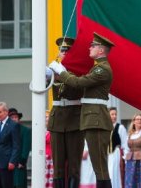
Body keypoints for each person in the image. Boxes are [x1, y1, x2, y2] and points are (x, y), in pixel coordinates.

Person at [49, 32, 115, 188]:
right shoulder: (97, 68)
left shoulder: (101, 69)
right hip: (90, 119)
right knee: (97, 165)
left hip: (96, 119)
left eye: (93, 45)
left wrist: (61, 72)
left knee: (99, 166)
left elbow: (78, 84)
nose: (90, 48)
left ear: (100, 50)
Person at [47, 37, 84, 188]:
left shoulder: (79, 69)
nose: (63, 53)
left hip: (74, 120)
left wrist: (62, 72)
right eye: (62, 50)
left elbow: (78, 87)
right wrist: (43, 75)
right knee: (58, 165)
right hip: (57, 120)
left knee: (74, 165)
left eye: (67, 50)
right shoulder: (54, 68)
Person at [124, 113, 141, 188]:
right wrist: (126, 159)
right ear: (134, 121)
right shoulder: (130, 134)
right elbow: (126, 148)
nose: (139, 121)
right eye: (137, 119)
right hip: (130, 161)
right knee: (130, 181)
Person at [8, 108, 31, 188]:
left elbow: (26, 147)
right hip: (7, 163)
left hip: (19, 163)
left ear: (18, 118)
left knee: (19, 184)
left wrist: (22, 161)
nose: (14, 119)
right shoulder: (6, 130)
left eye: (15, 117)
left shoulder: (25, 130)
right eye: (12, 118)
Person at [108, 107, 128, 188]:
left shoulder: (120, 127)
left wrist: (125, 158)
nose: (114, 116)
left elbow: (124, 144)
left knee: (114, 174)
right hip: (106, 155)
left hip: (115, 154)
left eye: (115, 114)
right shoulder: (105, 128)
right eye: (112, 114)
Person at [45, 110, 54, 188]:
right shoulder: (43, 131)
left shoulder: (52, 131)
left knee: (50, 179)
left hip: (51, 157)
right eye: (45, 117)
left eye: (48, 117)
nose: (46, 119)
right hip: (44, 158)